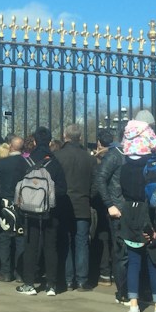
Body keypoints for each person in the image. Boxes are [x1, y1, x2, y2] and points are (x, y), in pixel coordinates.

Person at [119, 119, 156, 312]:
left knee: (134, 260)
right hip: (149, 210)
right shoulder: (152, 164)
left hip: (129, 211)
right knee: (154, 259)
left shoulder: (125, 166)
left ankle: (134, 305)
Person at [17, 127, 66, 296]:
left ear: (35, 142)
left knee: (31, 246)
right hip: (50, 211)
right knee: (50, 247)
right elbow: (62, 189)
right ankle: (51, 285)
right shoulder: (55, 162)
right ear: (50, 142)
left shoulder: (26, 161)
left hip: (30, 210)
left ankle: (29, 283)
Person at [55, 123, 95, 291]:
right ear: (80, 137)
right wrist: (89, 196)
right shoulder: (89, 158)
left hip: (63, 203)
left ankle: (68, 279)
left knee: (65, 241)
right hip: (83, 203)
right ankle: (81, 280)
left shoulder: (58, 156)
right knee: (81, 242)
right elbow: (95, 184)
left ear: (65, 136)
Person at [94, 127, 126, 297]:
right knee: (120, 249)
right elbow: (100, 178)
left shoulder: (132, 154)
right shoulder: (116, 154)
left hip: (132, 207)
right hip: (118, 207)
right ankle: (123, 290)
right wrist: (109, 204)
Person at [0, 136, 26, 282]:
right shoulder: (27, 163)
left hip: (6, 202)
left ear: (11, 147)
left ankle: (5, 272)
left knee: (4, 237)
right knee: (21, 237)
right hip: (23, 203)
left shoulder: (2, 163)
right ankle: (20, 272)